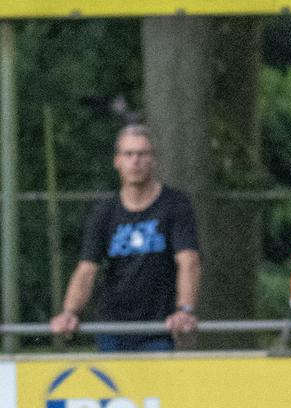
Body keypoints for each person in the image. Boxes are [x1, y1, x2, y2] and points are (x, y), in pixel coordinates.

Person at [50, 124, 200, 353]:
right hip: (112, 330)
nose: (135, 161)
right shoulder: (105, 212)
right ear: (117, 161)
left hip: (158, 330)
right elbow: (87, 269)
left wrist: (185, 310)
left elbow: (188, 261)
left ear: (154, 160)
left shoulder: (175, 205)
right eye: (128, 154)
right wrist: (70, 313)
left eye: (142, 154)